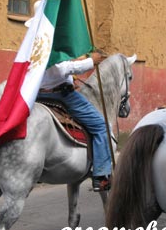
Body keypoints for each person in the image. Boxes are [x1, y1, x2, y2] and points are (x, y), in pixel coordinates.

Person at [38, 53, 112, 192]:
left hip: (38, 94)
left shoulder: (38, 41)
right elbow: (62, 68)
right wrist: (91, 61)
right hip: (60, 95)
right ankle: (101, 176)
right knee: (102, 126)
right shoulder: (54, 40)